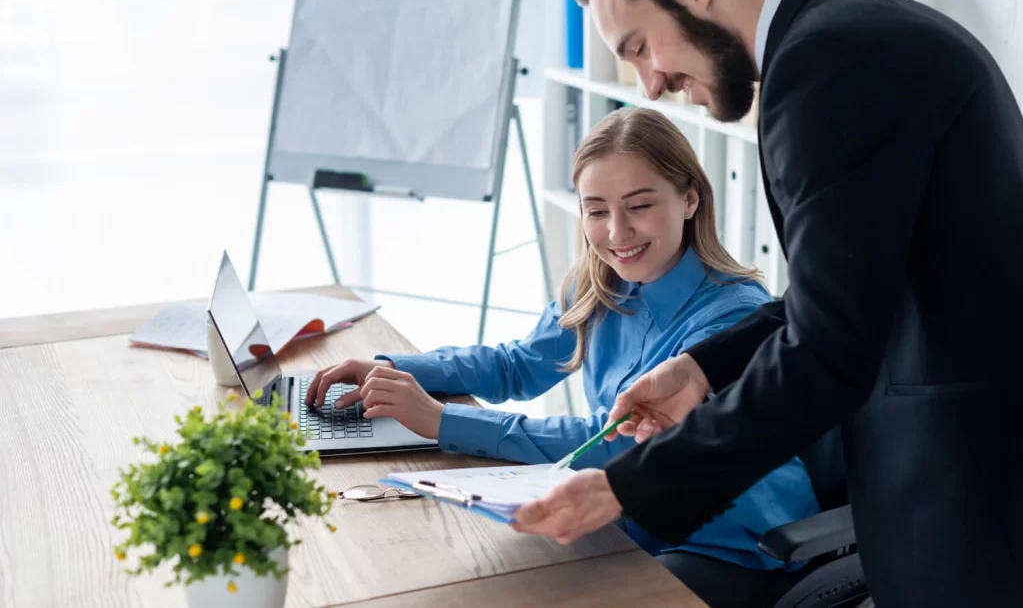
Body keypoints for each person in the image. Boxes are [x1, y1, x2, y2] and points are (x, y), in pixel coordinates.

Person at [512, 0, 1023, 606]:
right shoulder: (850, 29)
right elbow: (846, 289)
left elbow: (827, 345)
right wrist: (700, 368)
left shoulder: (825, 67)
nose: (652, 84)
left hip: (963, 499)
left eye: (640, 47)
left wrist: (627, 485)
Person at [305, 107, 821, 606]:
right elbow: (517, 365)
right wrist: (394, 370)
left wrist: (442, 420)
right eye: (597, 211)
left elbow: (619, 446)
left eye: (640, 206)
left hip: (732, 545)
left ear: (690, 199)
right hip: (629, 521)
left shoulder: (735, 318)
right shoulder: (600, 285)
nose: (617, 234)